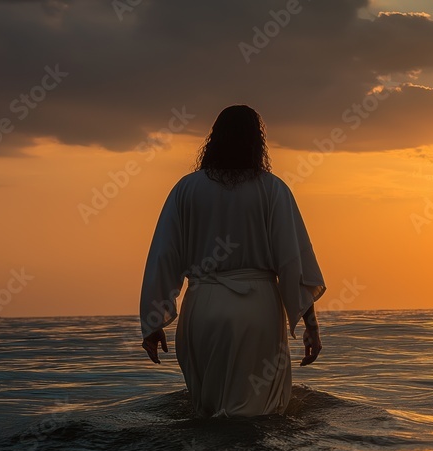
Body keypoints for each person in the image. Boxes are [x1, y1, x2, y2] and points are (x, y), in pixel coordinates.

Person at [139, 105, 326, 417]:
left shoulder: (186, 189)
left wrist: (152, 321)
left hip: (202, 307)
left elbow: (164, 257)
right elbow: (294, 263)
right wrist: (311, 327)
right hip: (258, 309)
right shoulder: (273, 190)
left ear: (214, 140)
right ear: (258, 143)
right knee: (261, 411)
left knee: (207, 411)